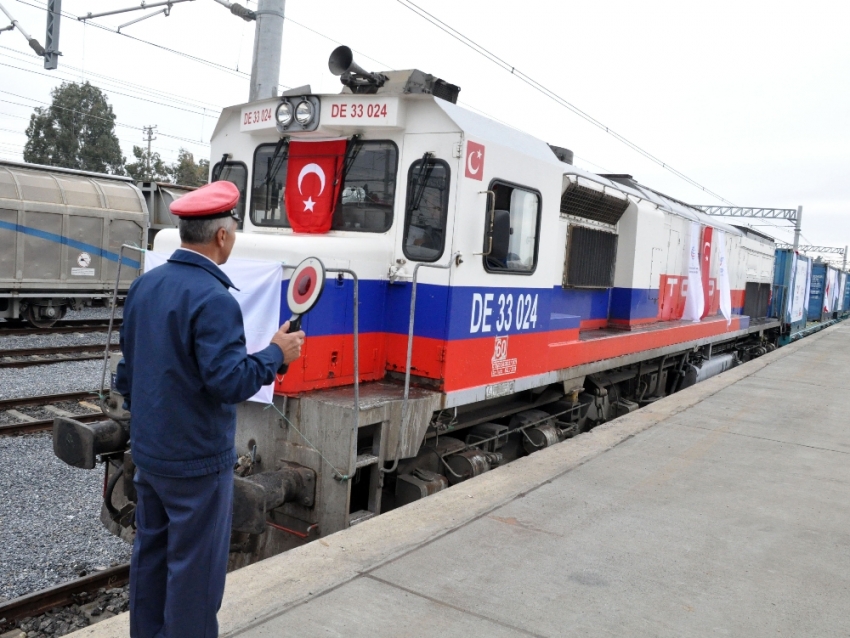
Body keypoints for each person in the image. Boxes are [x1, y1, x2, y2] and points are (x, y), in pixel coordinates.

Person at [114, 181, 305, 638]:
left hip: (151, 453)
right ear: (221, 236)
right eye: (233, 226)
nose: (234, 234)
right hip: (196, 462)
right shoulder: (215, 298)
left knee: (151, 557)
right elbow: (229, 382)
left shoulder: (146, 285)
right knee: (195, 575)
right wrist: (276, 353)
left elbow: (128, 371)